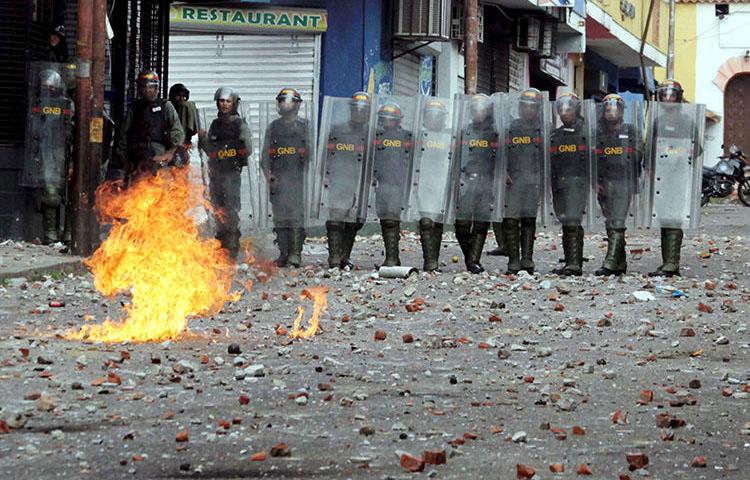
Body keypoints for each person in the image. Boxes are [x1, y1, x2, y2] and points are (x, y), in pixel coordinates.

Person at [648, 79, 701, 277]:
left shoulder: (687, 122)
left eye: (671, 95)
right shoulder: (658, 121)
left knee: (674, 219)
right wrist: (650, 169)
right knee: (663, 219)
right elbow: (650, 148)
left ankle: (672, 264)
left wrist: (678, 154)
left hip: (678, 176)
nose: (668, 98)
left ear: (679, 97)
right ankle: (667, 262)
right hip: (661, 177)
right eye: (664, 94)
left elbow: (696, 148)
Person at [198, 87, 253, 259]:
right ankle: (220, 246)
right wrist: (203, 139)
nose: (224, 104)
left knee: (230, 209)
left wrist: (233, 153)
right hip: (216, 174)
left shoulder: (239, 124)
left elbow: (248, 149)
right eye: (221, 101)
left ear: (234, 103)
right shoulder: (215, 124)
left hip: (231, 173)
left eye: (228, 101)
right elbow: (210, 150)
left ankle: (231, 248)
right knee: (217, 208)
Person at [23, 67, 74, 244]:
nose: (47, 90)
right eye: (44, 86)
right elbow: (33, 128)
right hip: (46, 151)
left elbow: (73, 128)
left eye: (50, 86)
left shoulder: (67, 104)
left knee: (69, 196)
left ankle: (68, 235)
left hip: (65, 153)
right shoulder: (38, 104)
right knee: (50, 195)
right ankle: (50, 234)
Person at [323, 92, 373, 269]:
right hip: (340, 178)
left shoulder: (371, 132)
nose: (359, 113)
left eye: (363, 110)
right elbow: (327, 154)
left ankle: (345, 256)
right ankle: (334, 258)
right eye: (356, 110)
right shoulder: (338, 129)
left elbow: (375, 158)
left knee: (354, 221)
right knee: (336, 218)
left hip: (361, 182)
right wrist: (325, 174)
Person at [261, 88, 310, 268]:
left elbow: (311, 154)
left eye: (288, 101)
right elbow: (265, 156)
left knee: (296, 217)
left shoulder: (304, 127)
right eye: (282, 101)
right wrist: (269, 175)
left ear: (296, 105)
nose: (284, 104)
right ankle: (283, 253)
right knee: (280, 217)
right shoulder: (273, 127)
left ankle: (295, 254)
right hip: (278, 180)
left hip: (297, 179)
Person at [593, 94, 639, 276]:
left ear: (621, 111)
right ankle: (620, 262)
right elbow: (593, 160)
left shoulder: (630, 131)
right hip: (605, 182)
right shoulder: (599, 133)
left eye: (615, 109)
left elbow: (638, 155)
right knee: (610, 221)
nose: (611, 112)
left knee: (618, 222)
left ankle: (611, 262)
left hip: (623, 181)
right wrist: (596, 181)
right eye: (607, 109)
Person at [454, 94, 499, 274]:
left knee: (481, 223)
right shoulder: (464, 131)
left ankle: (473, 261)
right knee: (462, 224)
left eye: (482, 109)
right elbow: (456, 155)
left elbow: (502, 158)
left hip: (487, 180)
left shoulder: (495, 133)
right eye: (475, 109)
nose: (478, 113)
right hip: (466, 180)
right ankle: (470, 257)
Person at [502, 88, 545, 274]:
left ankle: (527, 259)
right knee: (510, 220)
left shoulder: (544, 130)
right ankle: (513, 260)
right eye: (525, 106)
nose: (529, 110)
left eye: (533, 107)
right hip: (513, 180)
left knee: (529, 219)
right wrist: (502, 170)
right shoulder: (512, 128)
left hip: (533, 180)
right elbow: (501, 152)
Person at [115, 70, 184, 179]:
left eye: (150, 87)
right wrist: (124, 159)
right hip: (139, 160)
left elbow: (178, 131)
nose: (147, 90)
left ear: (156, 88)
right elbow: (124, 135)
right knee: (138, 191)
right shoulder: (134, 108)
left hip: (160, 158)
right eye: (144, 87)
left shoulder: (165, 106)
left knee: (161, 190)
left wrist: (171, 153)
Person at [550, 92, 589, 276]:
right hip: (559, 183)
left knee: (573, 220)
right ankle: (571, 260)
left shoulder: (587, 132)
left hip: (577, 181)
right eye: (562, 110)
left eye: (569, 109)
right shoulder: (556, 135)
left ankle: (574, 264)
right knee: (566, 221)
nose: (565, 113)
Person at [413, 98, 453, 272]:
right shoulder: (417, 136)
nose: (434, 119)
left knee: (437, 222)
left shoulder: (451, 137)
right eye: (430, 116)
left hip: (442, 182)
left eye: (437, 116)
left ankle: (433, 258)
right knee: (426, 222)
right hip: (423, 182)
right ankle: (430, 261)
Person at [372, 101, 413, 267]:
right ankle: (392, 257)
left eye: (391, 118)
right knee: (384, 218)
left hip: (398, 183)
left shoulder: (407, 137)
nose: (387, 121)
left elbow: (412, 159)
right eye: (384, 118)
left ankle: (391, 258)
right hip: (381, 182)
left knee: (391, 218)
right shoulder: (376, 137)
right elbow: (370, 158)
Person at [168, 83, 198, 152]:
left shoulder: (186, 107)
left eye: (183, 96)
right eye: (178, 95)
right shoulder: (167, 109)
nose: (181, 98)